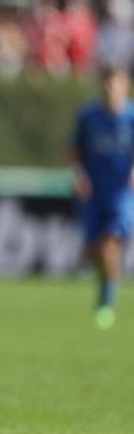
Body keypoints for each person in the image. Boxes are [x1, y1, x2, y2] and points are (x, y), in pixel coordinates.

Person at [70, 67, 134, 329]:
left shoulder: (131, 117)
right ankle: (106, 281)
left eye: (115, 83)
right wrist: (78, 176)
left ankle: (105, 303)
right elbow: (73, 150)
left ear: (125, 85)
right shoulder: (88, 116)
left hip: (120, 193)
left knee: (110, 243)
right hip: (92, 193)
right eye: (106, 83)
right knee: (90, 251)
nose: (110, 88)